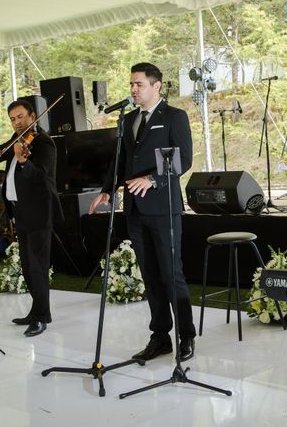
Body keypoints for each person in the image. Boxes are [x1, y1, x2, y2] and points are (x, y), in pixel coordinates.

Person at [88, 62, 196, 362]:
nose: (133, 90)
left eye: (139, 84)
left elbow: (183, 160)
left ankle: (186, 335)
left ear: (156, 85)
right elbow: (120, 161)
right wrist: (107, 189)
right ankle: (160, 336)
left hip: (164, 209)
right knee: (149, 274)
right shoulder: (128, 120)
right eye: (132, 85)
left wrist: (152, 179)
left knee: (171, 274)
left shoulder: (174, 117)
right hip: (135, 211)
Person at [0, 99, 61, 337]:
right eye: (12, 119)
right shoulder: (16, 140)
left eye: (20, 117)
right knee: (27, 266)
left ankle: (41, 317)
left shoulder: (44, 143)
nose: (16, 122)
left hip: (39, 211)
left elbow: (41, 178)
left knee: (37, 266)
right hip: (21, 213)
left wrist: (25, 160)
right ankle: (36, 310)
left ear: (32, 116)